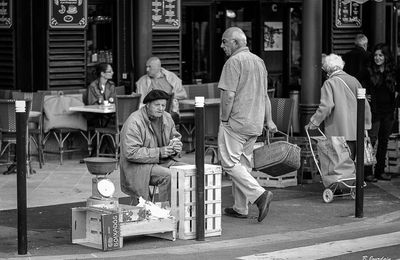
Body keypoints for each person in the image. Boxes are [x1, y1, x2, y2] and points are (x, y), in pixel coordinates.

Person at [218, 27, 277, 223]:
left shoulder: (233, 62)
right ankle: (240, 208)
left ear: (235, 43)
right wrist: (268, 120)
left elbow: (229, 95)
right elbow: (265, 95)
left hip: (236, 121)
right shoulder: (259, 61)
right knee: (242, 165)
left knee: (229, 163)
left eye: (224, 42)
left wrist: (224, 119)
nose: (222, 46)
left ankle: (260, 195)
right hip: (255, 122)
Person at [119, 89, 184, 206]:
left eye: (163, 105)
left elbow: (175, 137)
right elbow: (131, 153)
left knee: (189, 170)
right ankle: (167, 210)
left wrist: (176, 146)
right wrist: (159, 152)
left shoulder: (167, 117)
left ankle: (185, 208)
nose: (161, 108)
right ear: (147, 105)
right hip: (138, 166)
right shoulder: (134, 122)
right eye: (157, 105)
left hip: (162, 161)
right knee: (168, 175)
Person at [306, 53, 372, 160]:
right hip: (356, 132)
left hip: (337, 133)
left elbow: (326, 106)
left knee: (340, 168)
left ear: (327, 69)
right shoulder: (354, 80)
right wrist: (366, 126)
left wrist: (314, 122)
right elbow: (365, 105)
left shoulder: (329, 83)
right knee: (352, 166)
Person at [362, 43, 399, 182]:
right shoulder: (368, 70)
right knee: (371, 141)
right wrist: (363, 95)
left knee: (384, 141)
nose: (377, 58)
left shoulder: (392, 71)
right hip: (374, 111)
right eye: (376, 55)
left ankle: (380, 171)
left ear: (386, 56)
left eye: (380, 55)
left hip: (389, 111)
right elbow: (355, 81)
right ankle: (367, 172)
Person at [135, 57, 187, 124]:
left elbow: (182, 94)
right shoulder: (142, 81)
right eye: (146, 67)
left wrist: (173, 98)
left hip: (169, 113)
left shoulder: (171, 78)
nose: (147, 69)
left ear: (158, 67)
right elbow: (140, 101)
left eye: (149, 67)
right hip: (150, 114)